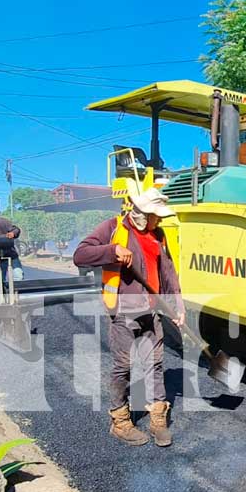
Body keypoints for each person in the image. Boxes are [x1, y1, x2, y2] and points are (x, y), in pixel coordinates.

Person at [73, 188, 184, 447]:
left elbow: (167, 271)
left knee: (155, 363)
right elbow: (80, 255)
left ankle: (158, 418)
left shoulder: (159, 234)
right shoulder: (113, 228)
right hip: (123, 311)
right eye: (156, 216)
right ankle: (120, 421)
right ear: (143, 214)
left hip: (151, 310)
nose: (160, 221)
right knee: (124, 367)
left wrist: (177, 305)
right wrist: (113, 251)